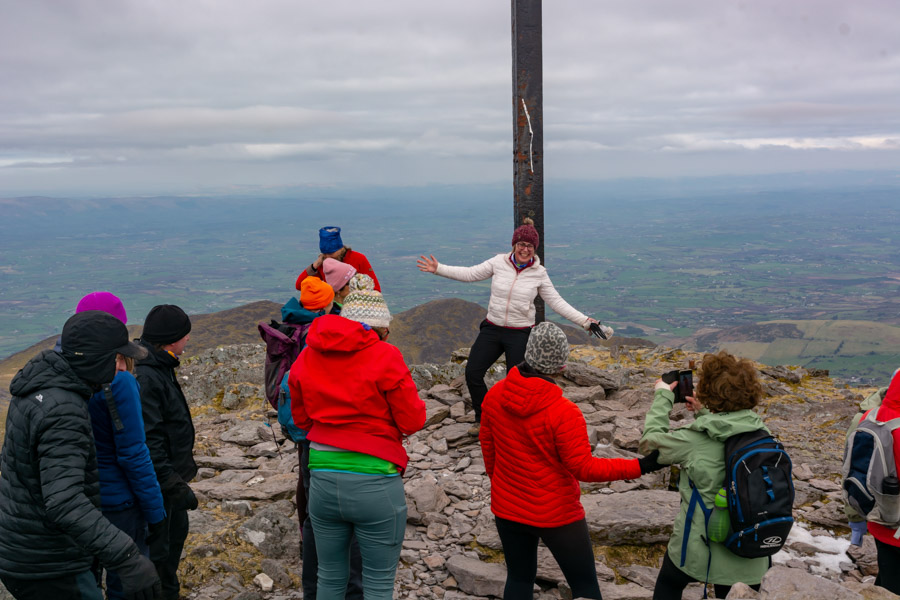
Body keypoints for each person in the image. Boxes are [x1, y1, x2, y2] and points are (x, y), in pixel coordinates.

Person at [480, 321, 663, 600]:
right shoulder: (563, 411)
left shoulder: (494, 396)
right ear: (562, 368)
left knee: (518, 579)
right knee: (585, 588)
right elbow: (584, 468)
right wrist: (641, 466)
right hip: (556, 513)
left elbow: (489, 450)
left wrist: (503, 486)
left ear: (527, 355)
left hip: (508, 508)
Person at [0, 311, 161, 600]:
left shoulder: (38, 389)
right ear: (97, 361)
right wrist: (127, 557)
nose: (123, 368)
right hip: (50, 563)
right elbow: (64, 501)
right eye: (118, 359)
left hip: (25, 551)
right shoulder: (63, 409)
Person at [288, 289, 425, 600]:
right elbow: (412, 421)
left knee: (330, 578)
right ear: (378, 328)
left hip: (322, 477)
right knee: (377, 584)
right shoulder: (385, 355)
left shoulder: (308, 353)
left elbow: (301, 419)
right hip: (376, 481)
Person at [417, 218, 612, 434]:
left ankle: (512, 426)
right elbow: (470, 274)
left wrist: (586, 322)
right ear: (514, 245)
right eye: (521, 244)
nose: (525, 249)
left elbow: (557, 302)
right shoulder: (498, 262)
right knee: (473, 373)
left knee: (516, 383)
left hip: (520, 333)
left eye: (529, 246)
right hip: (492, 328)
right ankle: (484, 420)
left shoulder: (539, 273)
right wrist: (438, 269)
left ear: (534, 249)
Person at [639, 351, 771, 599]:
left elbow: (649, 444)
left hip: (700, 548)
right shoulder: (762, 432)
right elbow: (730, 430)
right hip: (754, 550)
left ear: (711, 393)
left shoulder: (694, 440)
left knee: (668, 584)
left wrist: (663, 398)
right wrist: (705, 414)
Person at [76, 293, 167, 600]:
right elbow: (133, 453)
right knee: (125, 584)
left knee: (87, 581)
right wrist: (157, 513)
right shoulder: (121, 380)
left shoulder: (67, 375)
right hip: (119, 505)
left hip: (79, 502)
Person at [285, 277, 365, 600]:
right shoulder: (335, 349)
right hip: (342, 451)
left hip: (310, 441)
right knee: (349, 527)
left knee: (315, 515)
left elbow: (299, 405)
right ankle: (350, 590)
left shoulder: (297, 339)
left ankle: (312, 589)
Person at [135, 305, 197, 600]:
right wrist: (173, 485)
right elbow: (150, 440)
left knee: (173, 543)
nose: (188, 341)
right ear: (172, 339)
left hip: (170, 481)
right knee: (161, 552)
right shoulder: (149, 377)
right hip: (162, 485)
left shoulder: (160, 365)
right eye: (185, 335)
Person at [844, 368, 900, 594]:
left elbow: (852, 470)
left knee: (889, 582)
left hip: (881, 520)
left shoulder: (870, 417)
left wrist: (855, 519)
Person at [296, 226, 380, 292]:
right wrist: (315, 266)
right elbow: (300, 285)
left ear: (340, 248)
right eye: (325, 254)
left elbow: (375, 288)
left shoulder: (358, 259)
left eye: (331, 253)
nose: (328, 257)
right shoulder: (323, 264)